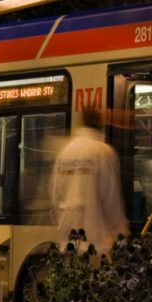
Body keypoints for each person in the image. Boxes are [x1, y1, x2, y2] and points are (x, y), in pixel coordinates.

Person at [51, 104, 124, 256]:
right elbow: (111, 199)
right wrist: (120, 232)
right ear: (99, 121)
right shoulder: (102, 152)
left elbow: (55, 194)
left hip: (67, 238)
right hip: (96, 241)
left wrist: (63, 221)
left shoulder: (66, 152)